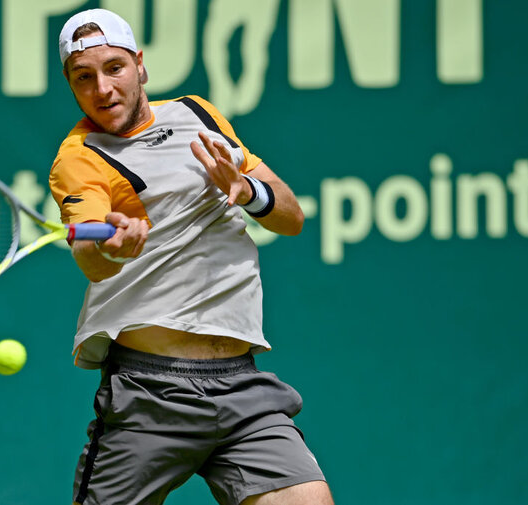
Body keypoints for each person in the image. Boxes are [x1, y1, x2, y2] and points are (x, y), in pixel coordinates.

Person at [49, 8, 333, 505]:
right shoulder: (80, 157)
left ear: (140, 65)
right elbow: (90, 255)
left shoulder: (197, 114)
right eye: (83, 77)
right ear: (71, 86)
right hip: (150, 397)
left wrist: (245, 189)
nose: (102, 89)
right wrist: (112, 249)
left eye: (114, 68)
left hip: (243, 387)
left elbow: (290, 217)